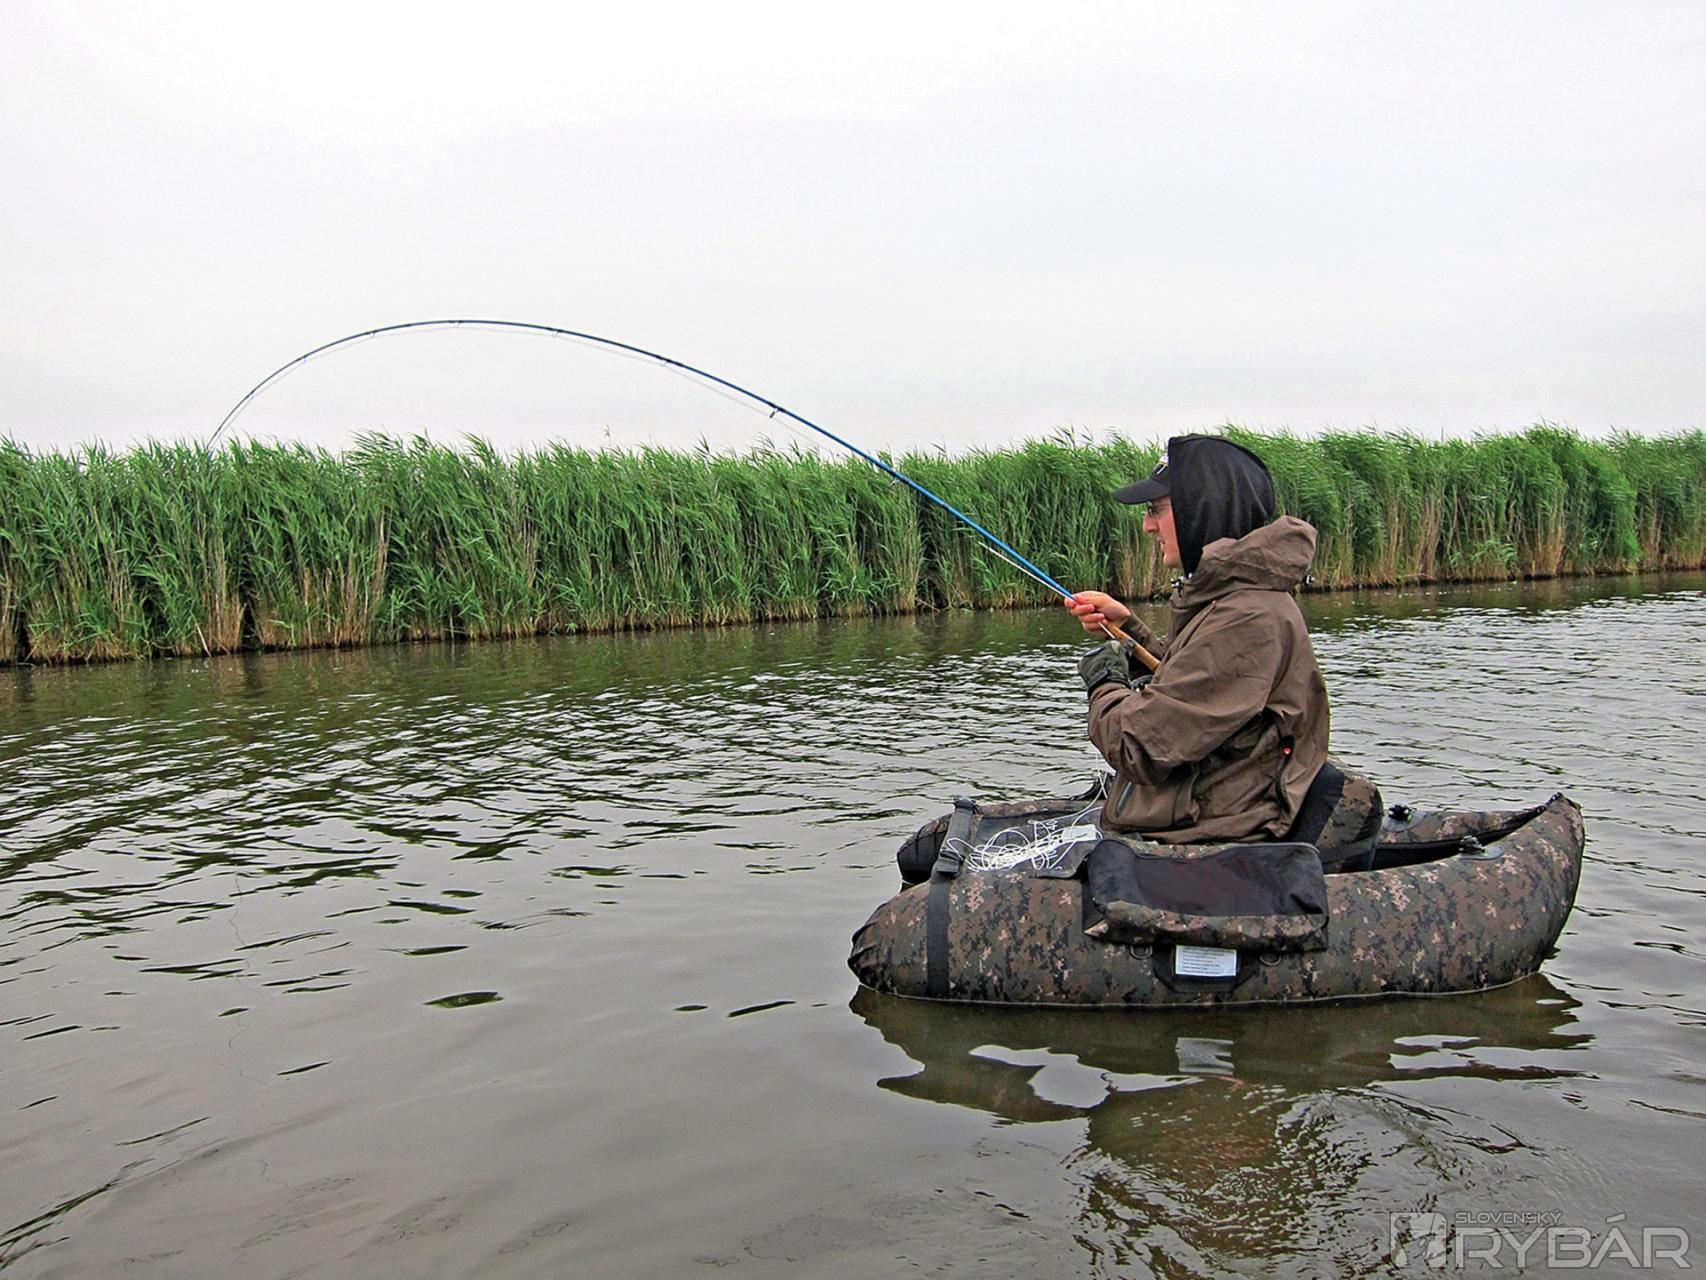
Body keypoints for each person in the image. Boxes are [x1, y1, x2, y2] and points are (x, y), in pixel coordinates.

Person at [1066, 435, 1329, 843]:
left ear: (1201, 509)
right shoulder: (1233, 602)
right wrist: (1130, 631)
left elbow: (1137, 746)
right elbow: (1193, 686)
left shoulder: (1248, 618)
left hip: (1215, 839)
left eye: (1156, 509)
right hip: (1196, 819)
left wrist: (1105, 681)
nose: (1147, 525)